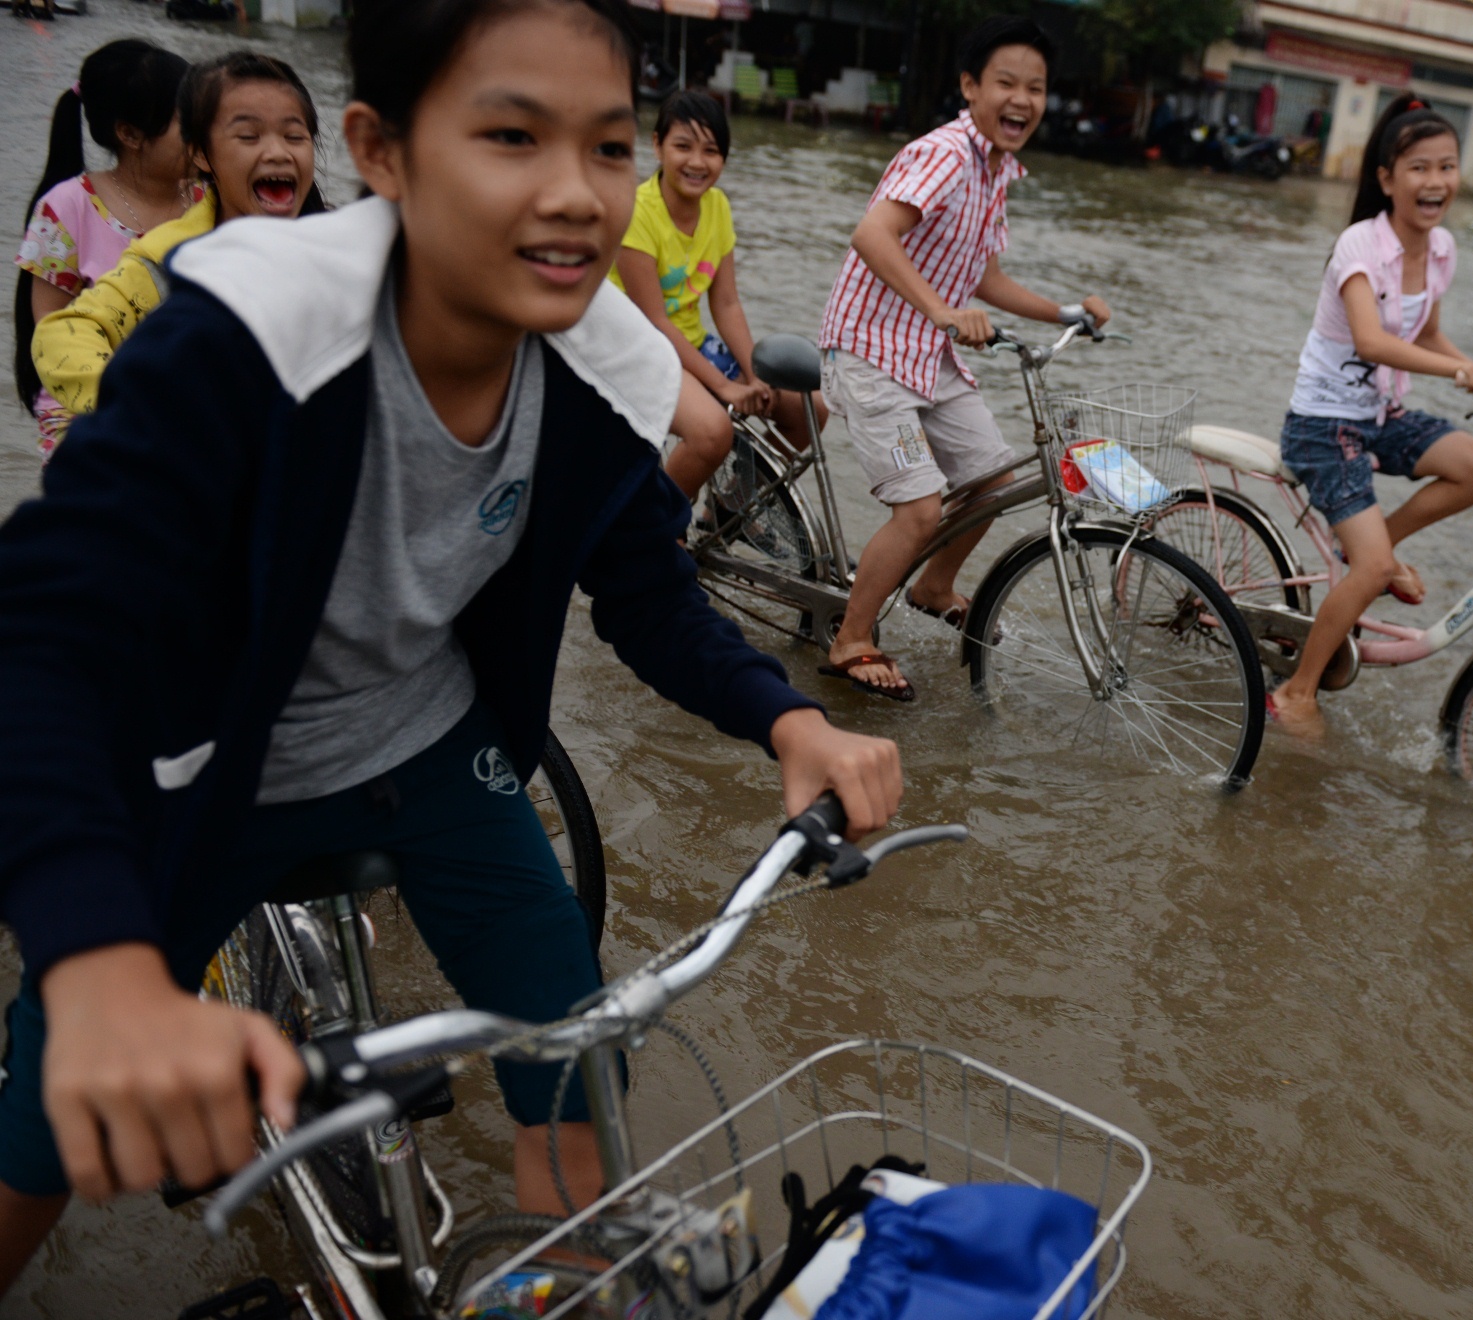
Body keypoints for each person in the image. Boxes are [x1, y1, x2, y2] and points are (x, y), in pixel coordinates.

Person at [0, 0, 901, 1293]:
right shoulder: (247, 337)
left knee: (576, 1059)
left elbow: (642, 594)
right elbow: (44, 638)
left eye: (604, 149)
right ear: (380, 152)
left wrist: (787, 719)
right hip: (210, 767)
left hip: (431, 753)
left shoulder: (596, 366)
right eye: (510, 136)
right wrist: (96, 976)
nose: (575, 194)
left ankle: (560, 1279)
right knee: (52, 1107)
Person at [815, 15, 1110, 702]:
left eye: (1034, 87)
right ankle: (850, 638)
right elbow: (871, 234)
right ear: (970, 86)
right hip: (868, 346)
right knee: (919, 510)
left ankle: (934, 585)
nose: (1022, 99)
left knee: (991, 481)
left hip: (926, 352)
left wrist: (1067, 312)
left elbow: (985, 278)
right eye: (1005, 82)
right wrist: (942, 311)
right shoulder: (947, 154)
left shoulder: (995, 169)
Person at [1267, 97, 1473, 736]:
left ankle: (1381, 548)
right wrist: (1461, 373)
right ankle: (1297, 690)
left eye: (1448, 167)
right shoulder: (1360, 245)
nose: (1436, 183)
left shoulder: (1441, 250)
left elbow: (1426, 332)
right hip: (1322, 425)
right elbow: (1373, 342)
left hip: (1381, 414)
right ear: (1387, 179)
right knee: (1371, 570)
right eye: (1420, 168)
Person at [32, 52, 323, 456]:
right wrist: (142, 404)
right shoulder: (165, 262)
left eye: (295, 136)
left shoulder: (338, 258)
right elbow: (61, 332)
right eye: (249, 136)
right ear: (202, 153)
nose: (278, 152)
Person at [610, 90, 820, 498]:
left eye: (711, 151)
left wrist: (753, 375)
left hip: (691, 346)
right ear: (657, 146)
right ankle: (656, 526)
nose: (697, 162)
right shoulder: (635, 212)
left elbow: (725, 302)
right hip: (638, 354)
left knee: (808, 409)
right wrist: (724, 387)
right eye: (683, 147)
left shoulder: (718, 206)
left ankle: (730, 507)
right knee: (712, 433)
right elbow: (654, 320)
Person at [13, 39, 191, 460]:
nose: (207, 133)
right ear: (129, 134)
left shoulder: (211, 198)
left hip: (188, 398)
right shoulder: (66, 207)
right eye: (189, 123)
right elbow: (55, 335)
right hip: (86, 406)